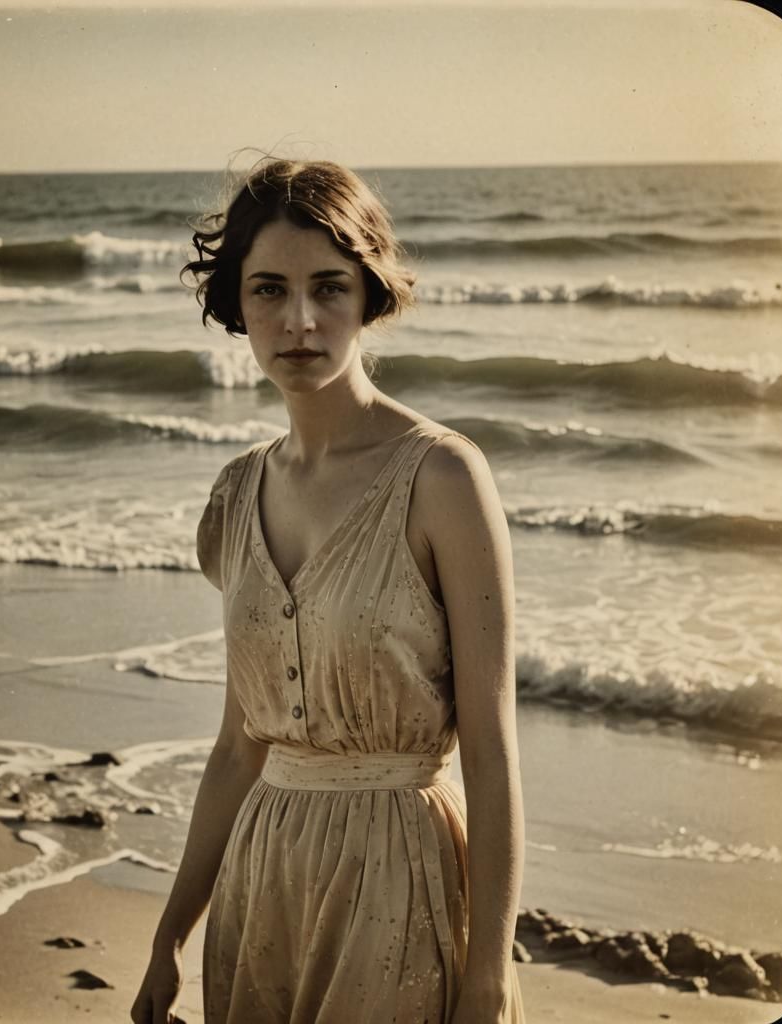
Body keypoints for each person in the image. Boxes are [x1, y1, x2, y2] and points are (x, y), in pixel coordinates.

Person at [130, 158, 525, 1024]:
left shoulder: (444, 477)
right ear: (236, 303)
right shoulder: (234, 497)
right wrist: (169, 935)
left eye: (330, 288)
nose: (299, 321)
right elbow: (239, 747)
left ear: (370, 297)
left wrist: (489, 976)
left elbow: (493, 753)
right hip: (262, 879)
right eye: (268, 289)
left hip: (400, 876)